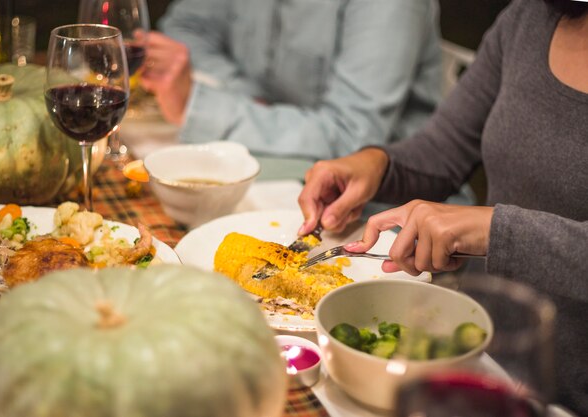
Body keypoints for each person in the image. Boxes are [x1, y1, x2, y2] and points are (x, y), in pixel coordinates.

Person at [297, 0, 588, 414]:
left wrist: (495, 230)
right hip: (471, 359)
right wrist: (377, 165)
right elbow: (446, 147)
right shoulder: (528, 18)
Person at [140, 0, 442, 161]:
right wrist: (244, 94)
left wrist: (198, 107)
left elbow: (352, 136)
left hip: (384, 211)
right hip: (277, 163)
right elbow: (185, 27)